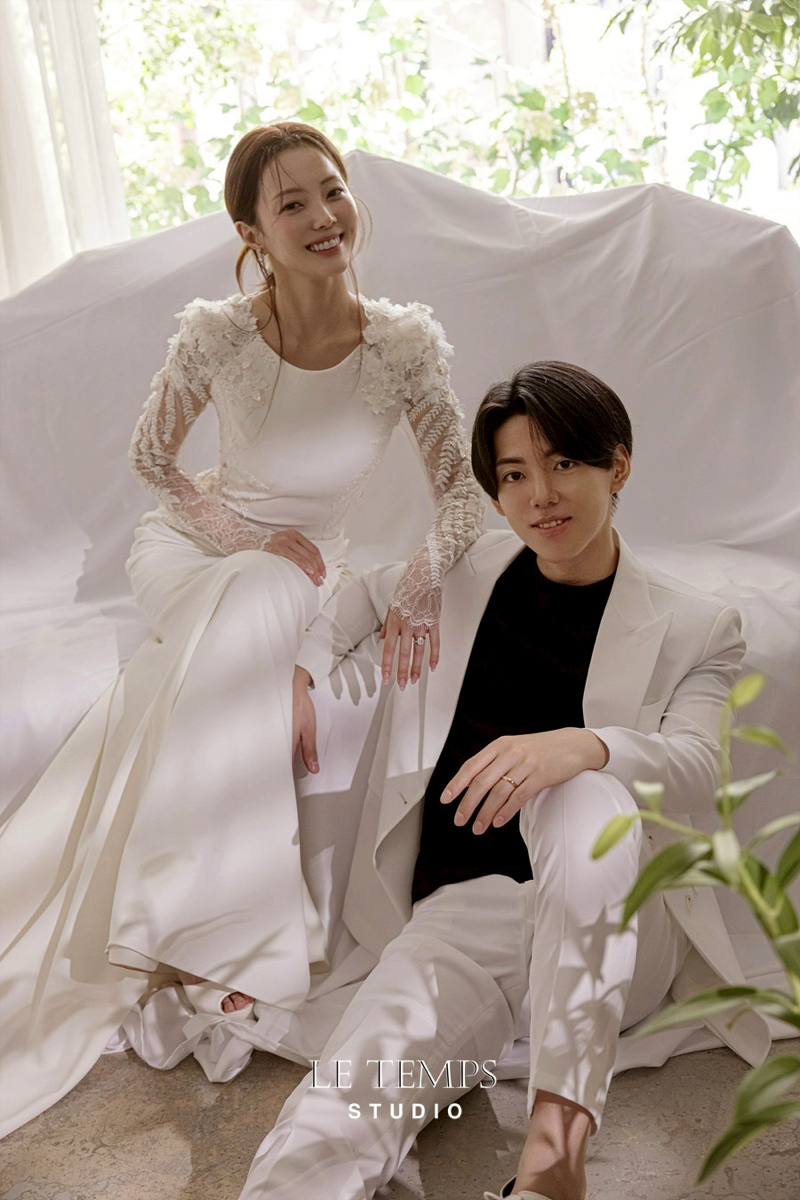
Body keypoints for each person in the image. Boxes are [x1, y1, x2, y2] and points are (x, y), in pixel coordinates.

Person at [0, 122, 484, 1138]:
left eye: (333, 190)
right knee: (261, 583)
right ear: (251, 233)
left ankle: (177, 927)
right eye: (291, 203)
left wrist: (415, 585)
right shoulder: (219, 333)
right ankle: (222, 937)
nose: (323, 216)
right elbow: (152, 460)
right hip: (193, 550)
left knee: (271, 590)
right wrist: (244, 538)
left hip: (306, 571)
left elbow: (459, 496)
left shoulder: (401, 345)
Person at [238, 362, 770, 1200]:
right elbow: (360, 599)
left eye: (563, 464)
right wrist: (301, 673)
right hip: (464, 917)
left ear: (617, 466)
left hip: (619, 927)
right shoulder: (463, 571)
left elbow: (700, 771)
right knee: (336, 1115)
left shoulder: (698, 625)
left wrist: (584, 748)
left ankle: (554, 1158)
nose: (539, 496)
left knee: (580, 794)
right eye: (514, 475)